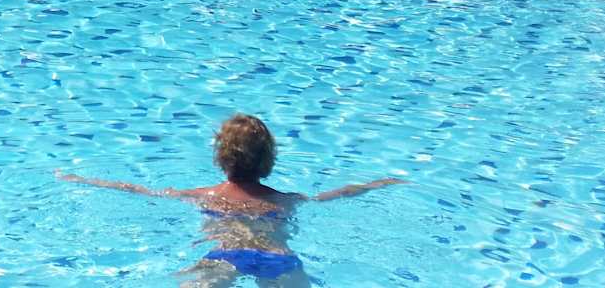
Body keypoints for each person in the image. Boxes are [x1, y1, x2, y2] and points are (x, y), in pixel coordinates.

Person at [59, 113, 406, 284]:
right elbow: (334, 195)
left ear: (221, 157)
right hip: (277, 258)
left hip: (225, 254)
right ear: (268, 159)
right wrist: (377, 184)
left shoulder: (203, 196)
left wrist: (85, 180)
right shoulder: (286, 200)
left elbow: (138, 190)